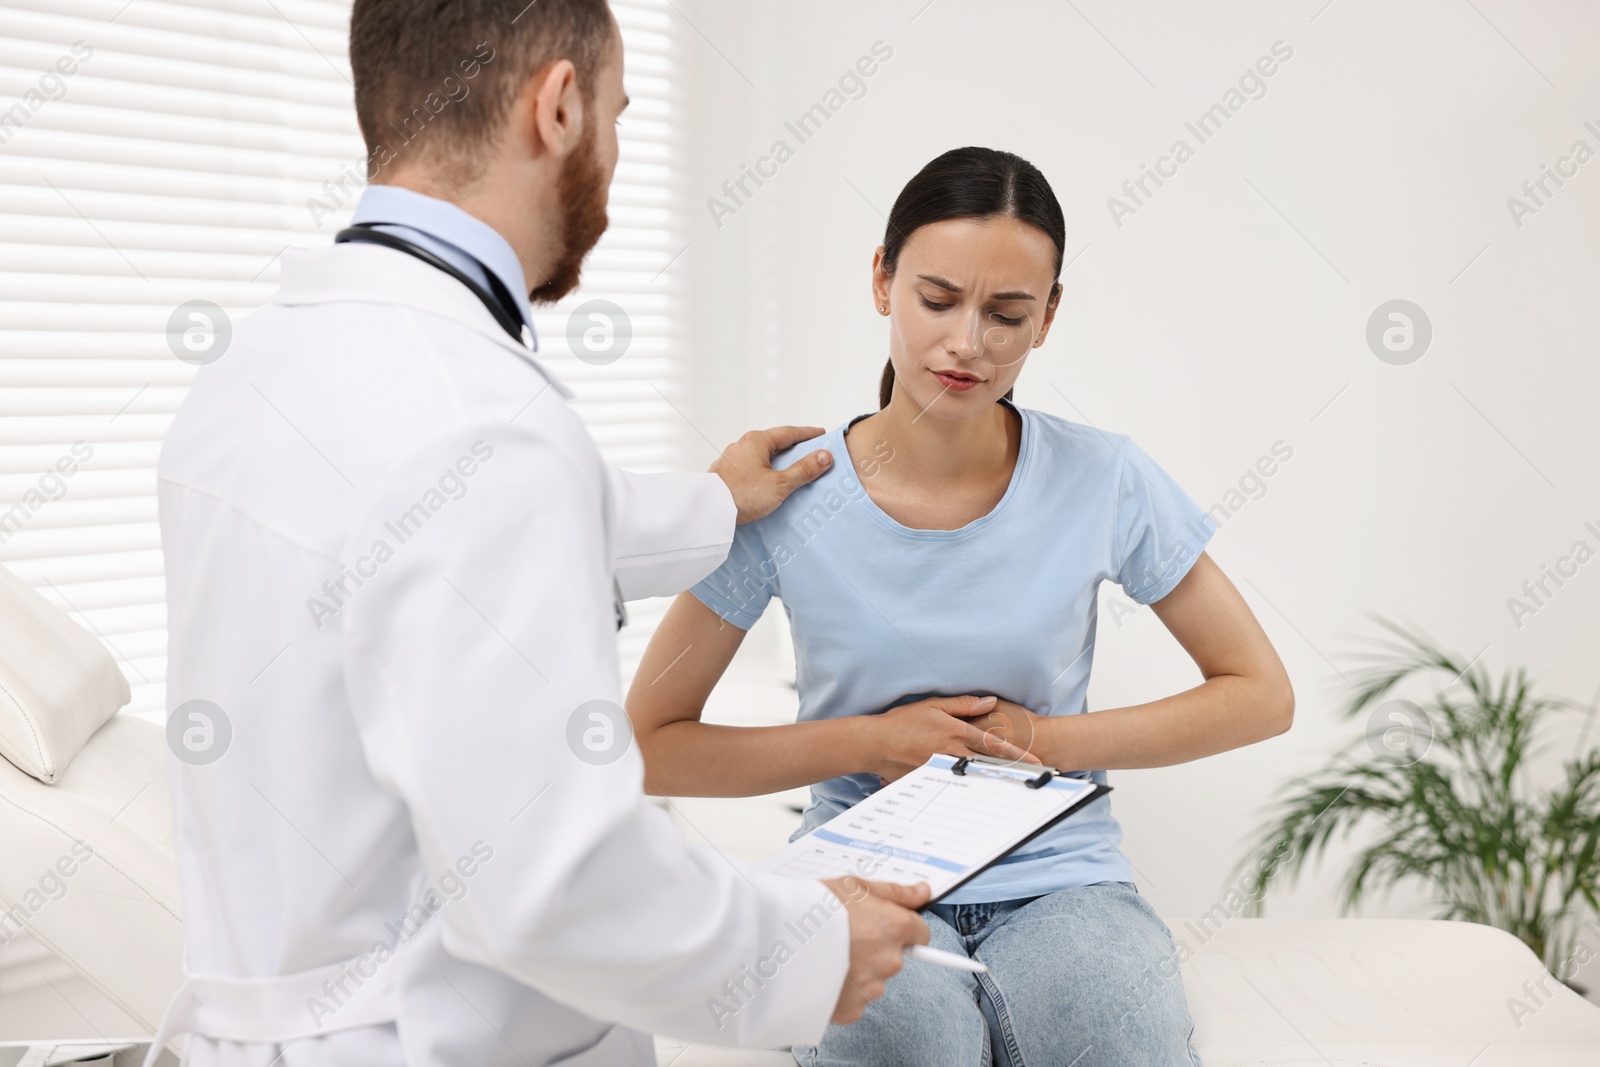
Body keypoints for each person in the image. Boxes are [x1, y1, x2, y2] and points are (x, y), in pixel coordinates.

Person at [150, 3, 957, 1064]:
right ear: (560, 105)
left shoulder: (260, 368)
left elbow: (416, 534)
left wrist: (714, 502)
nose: (614, 162)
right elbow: (548, 879)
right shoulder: (477, 419)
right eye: (615, 116)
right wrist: (808, 946)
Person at [628, 146, 1296, 1067]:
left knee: (1113, 1040)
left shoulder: (1104, 476)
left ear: (1048, 316)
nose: (967, 343)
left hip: (1063, 881)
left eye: (1007, 313)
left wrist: (1041, 742)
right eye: (937, 300)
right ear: (882, 280)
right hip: (860, 877)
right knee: (913, 1048)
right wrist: (873, 742)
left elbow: (1261, 693)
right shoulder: (788, 496)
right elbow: (651, 741)